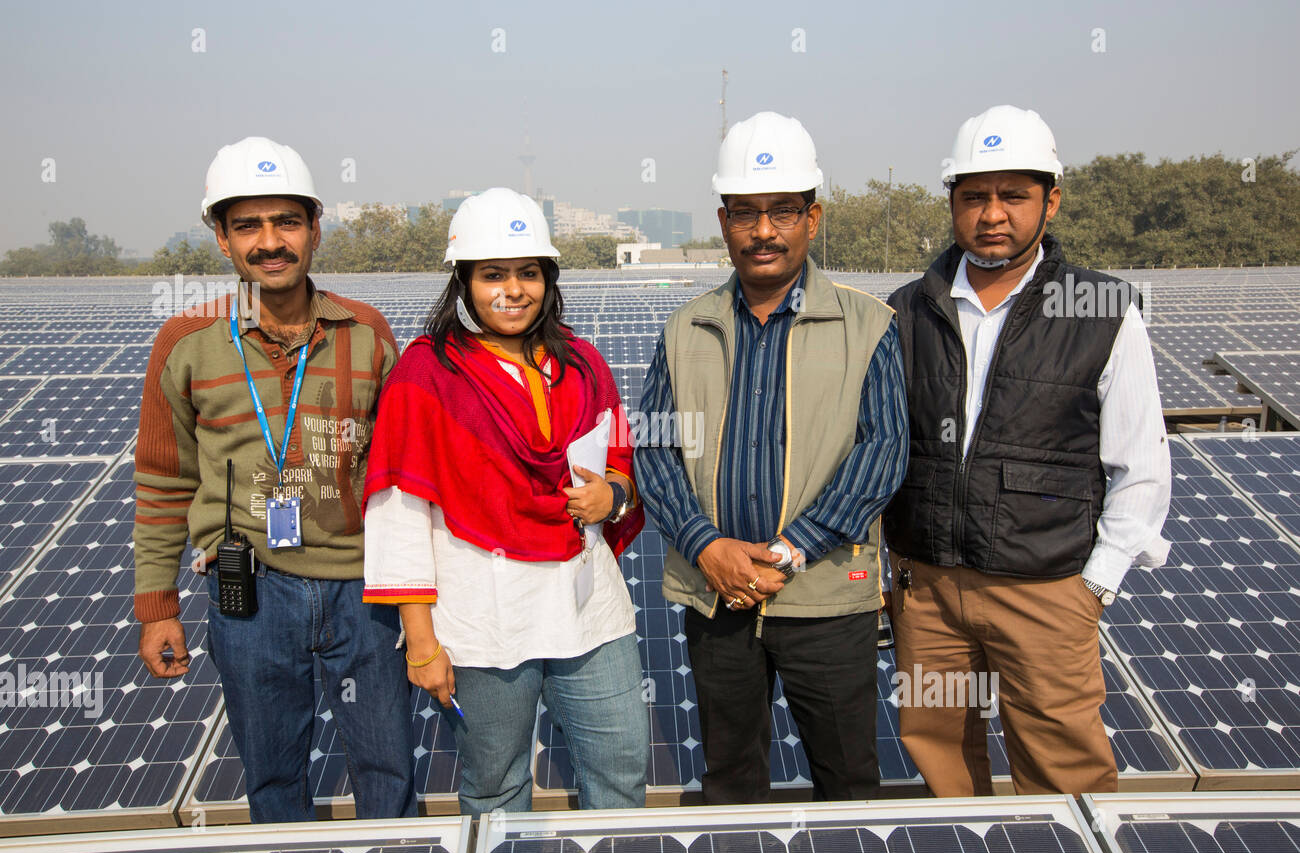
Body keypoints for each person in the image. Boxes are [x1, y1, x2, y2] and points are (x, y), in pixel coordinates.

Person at [884, 105, 1171, 797]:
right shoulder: (906, 310)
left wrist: (1094, 585)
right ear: (952, 202)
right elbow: (884, 448)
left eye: (1013, 195)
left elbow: (1140, 463)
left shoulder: (1100, 310)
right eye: (974, 196)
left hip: (1046, 589)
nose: (992, 214)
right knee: (939, 754)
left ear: (1051, 200)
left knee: (1062, 765)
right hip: (931, 590)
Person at [133, 136, 415, 823]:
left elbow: (402, 474)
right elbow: (164, 480)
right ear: (223, 241)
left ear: (315, 229)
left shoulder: (366, 331)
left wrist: (421, 597)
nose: (270, 242)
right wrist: (157, 606)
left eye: (286, 222)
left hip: (364, 591)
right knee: (273, 780)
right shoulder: (186, 340)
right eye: (247, 226)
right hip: (249, 591)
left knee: (389, 772)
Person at [635, 112, 909, 804]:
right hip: (715, 596)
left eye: (782, 212)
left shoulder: (868, 324)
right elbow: (654, 448)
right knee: (730, 781)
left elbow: (883, 452)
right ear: (724, 220)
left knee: (848, 781)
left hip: (826, 600)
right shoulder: (685, 326)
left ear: (812, 219)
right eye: (747, 213)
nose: (764, 231)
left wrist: (788, 552)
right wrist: (706, 546)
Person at [361, 187, 650, 815]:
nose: (513, 289)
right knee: (496, 788)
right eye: (493, 274)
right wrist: (421, 643)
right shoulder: (427, 377)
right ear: (464, 283)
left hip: (588, 610)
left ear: (547, 279)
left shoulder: (581, 364)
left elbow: (623, 462)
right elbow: (401, 518)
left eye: (528, 273)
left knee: (623, 770)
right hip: (485, 624)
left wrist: (616, 494)